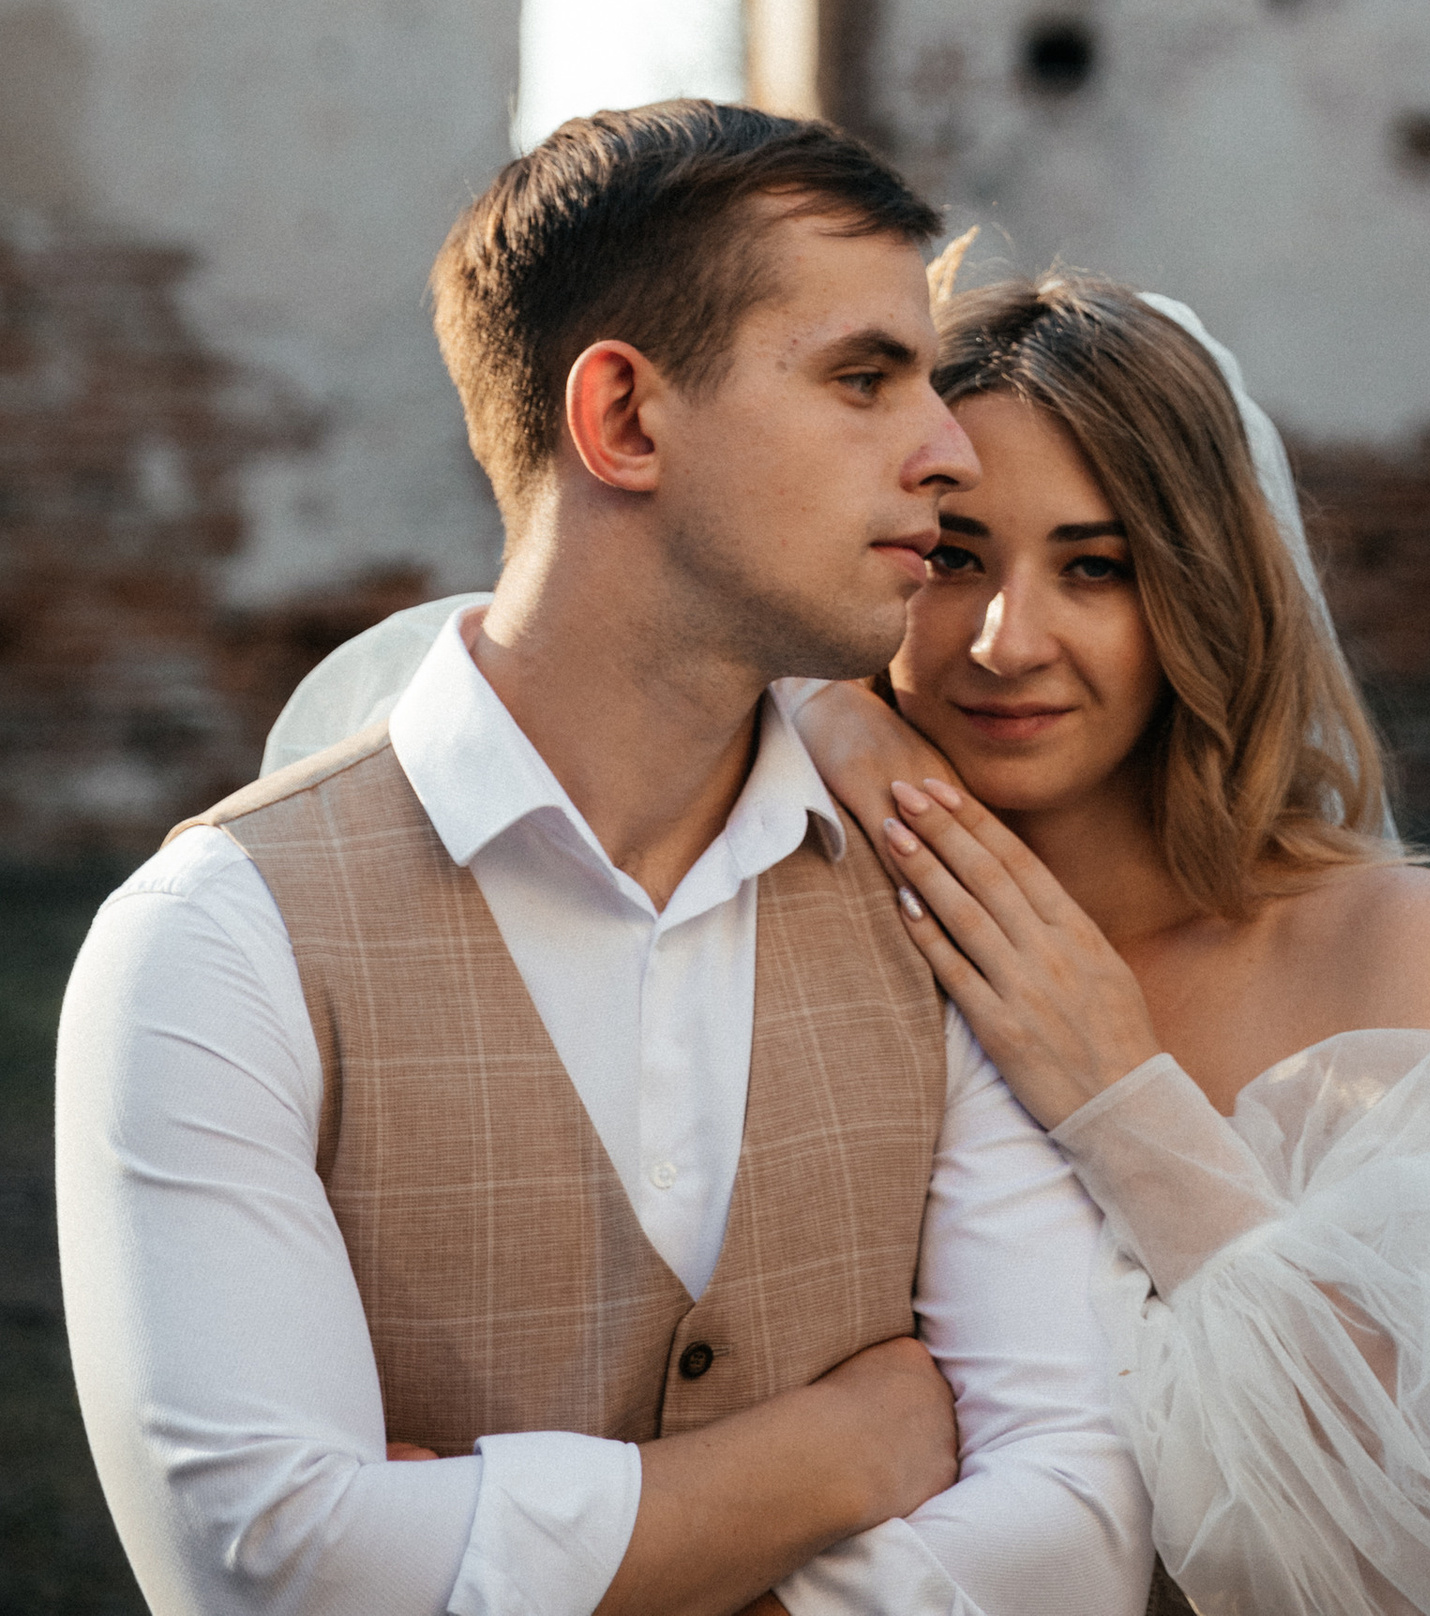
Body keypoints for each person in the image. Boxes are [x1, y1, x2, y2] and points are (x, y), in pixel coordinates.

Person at [55, 105, 1153, 1616]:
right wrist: (848, 1453)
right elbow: (274, 1572)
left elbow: (1083, 1524)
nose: (949, 452)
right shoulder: (217, 938)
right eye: (862, 379)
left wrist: (484, 1550)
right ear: (625, 420)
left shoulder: (933, 907)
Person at [795, 267, 1430, 1616]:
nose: (1002, 638)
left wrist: (1122, 1101)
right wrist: (803, 701)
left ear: (1200, 598)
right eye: (952, 555)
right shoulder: (806, 896)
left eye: (1095, 569)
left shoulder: (1397, 952)